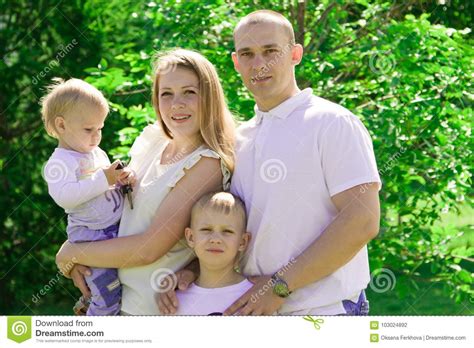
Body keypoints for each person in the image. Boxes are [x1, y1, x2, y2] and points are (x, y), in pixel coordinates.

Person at [159, 10, 381, 316]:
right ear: (236, 62)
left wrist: (280, 286)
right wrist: (193, 271)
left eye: (270, 51)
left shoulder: (332, 122)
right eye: (248, 54)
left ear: (294, 54)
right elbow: (233, 228)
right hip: (256, 316)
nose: (259, 64)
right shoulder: (237, 139)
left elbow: (363, 220)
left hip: (325, 313)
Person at [55, 48, 236, 315]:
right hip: (112, 301)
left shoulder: (206, 163)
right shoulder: (154, 141)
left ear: (209, 96)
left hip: (147, 311)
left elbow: (148, 249)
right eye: (167, 94)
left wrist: (71, 253)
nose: (177, 104)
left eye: (189, 92)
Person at [42, 78, 136, 315]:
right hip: (90, 235)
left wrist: (120, 180)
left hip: (113, 229)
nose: (96, 136)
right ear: (61, 126)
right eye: (88, 129)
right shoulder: (59, 162)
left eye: (100, 129)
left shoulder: (96, 153)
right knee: (108, 294)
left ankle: (90, 304)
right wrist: (104, 179)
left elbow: (105, 188)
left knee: (121, 285)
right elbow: (66, 197)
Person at [171, 191, 252, 315]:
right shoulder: (174, 302)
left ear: (242, 241)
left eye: (227, 231)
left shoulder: (254, 296)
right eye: (206, 229)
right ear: (191, 237)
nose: (215, 239)